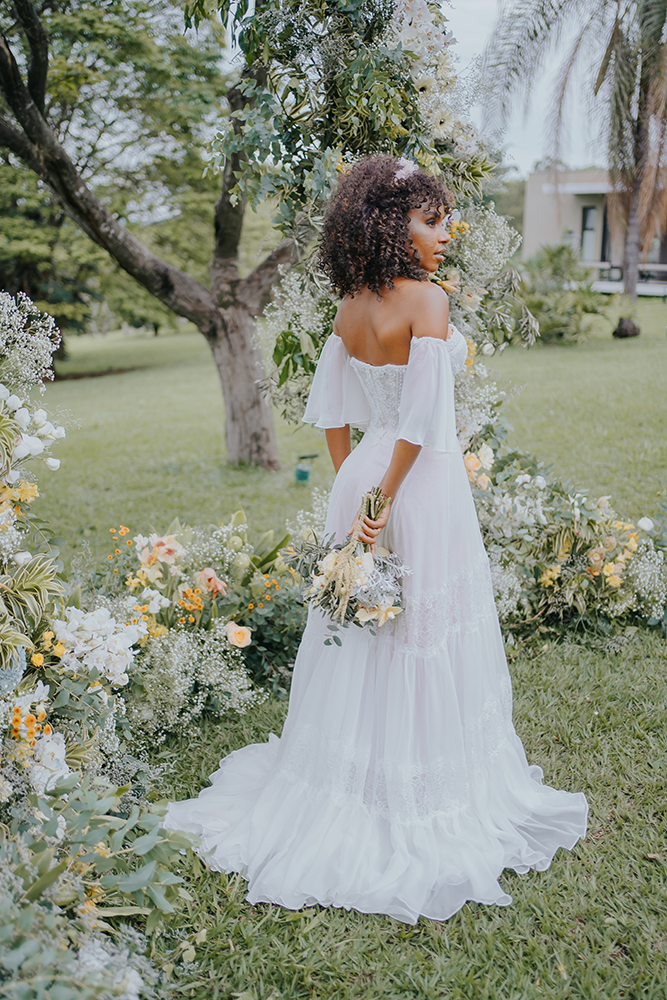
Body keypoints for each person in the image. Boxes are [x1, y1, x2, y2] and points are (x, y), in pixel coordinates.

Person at [163, 155, 588, 924]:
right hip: (415, 483)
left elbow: (332, 410)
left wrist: (351, 490)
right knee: (418, 625)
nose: (445, 232)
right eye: (432, 219)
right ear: (393, 225)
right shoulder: (428, 301)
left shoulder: (350, 303)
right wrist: (381, 500)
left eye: (444, 218)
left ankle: (360, 772)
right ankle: (418, 782)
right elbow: (424, 423)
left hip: (362, 471)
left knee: (366, 628)